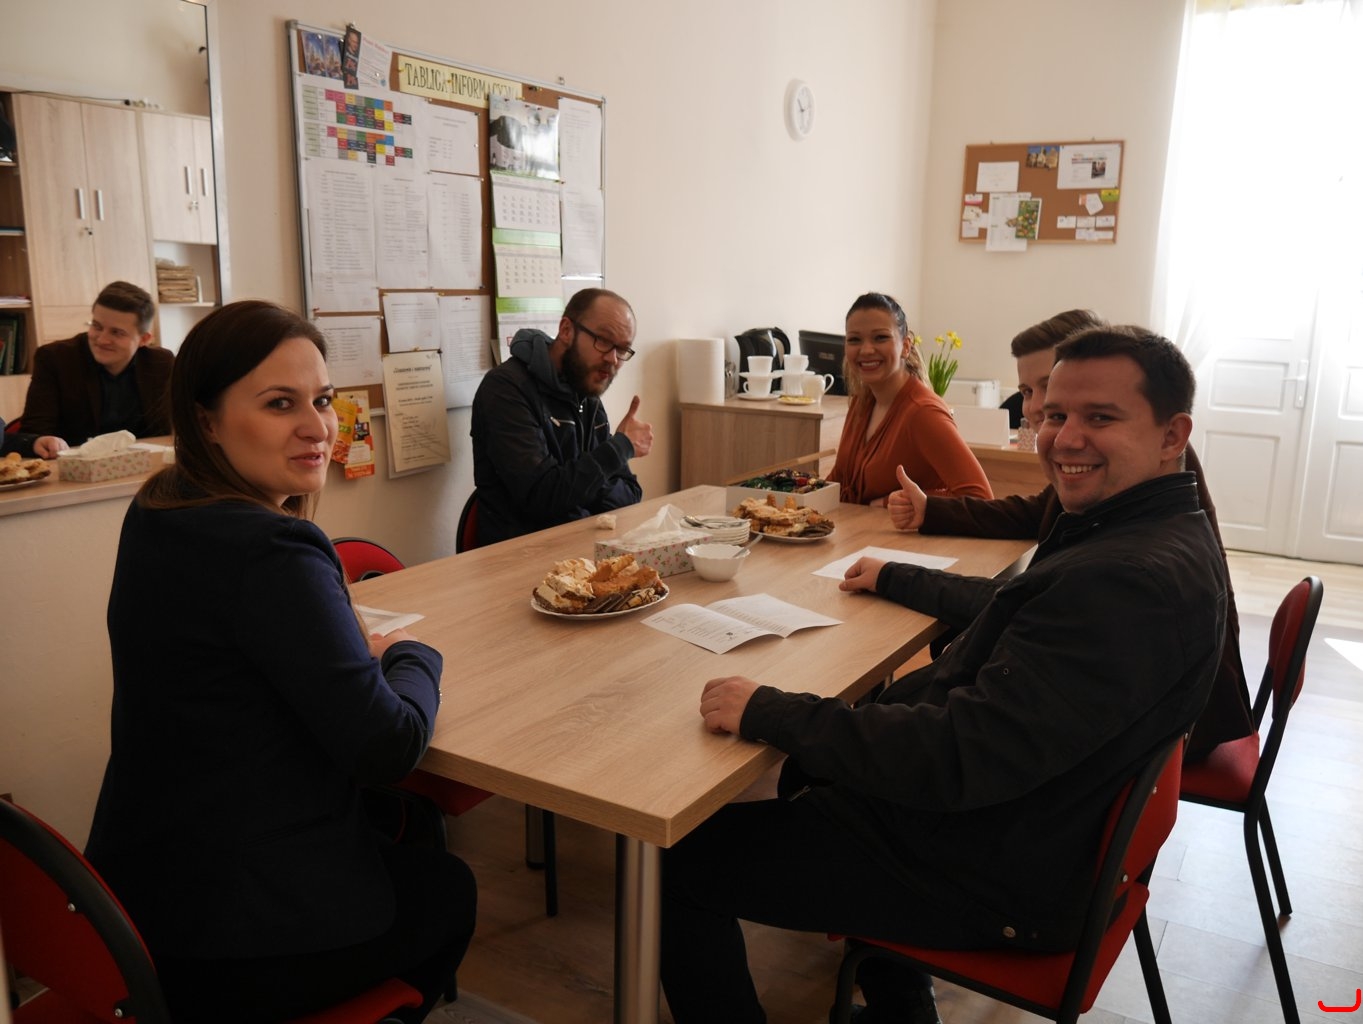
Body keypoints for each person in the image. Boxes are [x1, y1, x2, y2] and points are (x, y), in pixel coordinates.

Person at [660, 326, 1228, 1024]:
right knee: (814, 766)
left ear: (1173, 435)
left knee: (676, 861)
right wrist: (895, 585)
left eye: (1100, 418)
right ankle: (902, 1011)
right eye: (1054, 413)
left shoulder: (1123, 581)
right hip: (1032, 831)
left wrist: (772, 711)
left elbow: (956, 759)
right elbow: (1019, 622)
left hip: (988, 871)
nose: (1064, 437)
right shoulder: (1151, 533)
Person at [84, 301, 475, 1023]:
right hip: (234, 935)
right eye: (279, 404)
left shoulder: (161, 508)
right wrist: (416, 655)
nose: (319, 427)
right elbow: (388, 747)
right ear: (205, 420)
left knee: (398, 841)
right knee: (447, 890)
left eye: (322, 400)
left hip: (136, 901)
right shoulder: (272, 549)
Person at [887, 309, 1251, 761]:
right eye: (1032, 395)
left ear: (1170, 437)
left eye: (1097, 415)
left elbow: (976, 747)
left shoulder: (1133, 547)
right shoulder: (1128, 484)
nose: (1036, 410)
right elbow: (1034, 515)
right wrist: (932, 512)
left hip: (1180, 718)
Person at [470, 287, 653, 545]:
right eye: (603, 341)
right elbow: (542, 497)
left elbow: (629, 495)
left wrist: (583, 481)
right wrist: (619, 448)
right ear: (566, 330)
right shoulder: (506, 389)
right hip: (518, 554)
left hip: (581, 546)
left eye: (623, 350)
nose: (613, 359)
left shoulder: (586, 392)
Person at [828, 292, 991, 506]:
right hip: (853, 526)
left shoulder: (923, 412)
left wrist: (889, 502)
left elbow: (980, 498)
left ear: (905, 346)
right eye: (854, 340)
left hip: (896, 530)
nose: (866, 350)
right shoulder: (862, 402)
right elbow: (840, 480)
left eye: (880, 337)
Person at [19, 280, 173, 451]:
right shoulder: (55, 358)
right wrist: (39, 441)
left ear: (144, 339)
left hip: (145, 460)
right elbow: (33, 432)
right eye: (97, 327)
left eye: (116, 332)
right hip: (76, 462)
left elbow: (177, 424)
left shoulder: (161, 363)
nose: (102, 340)